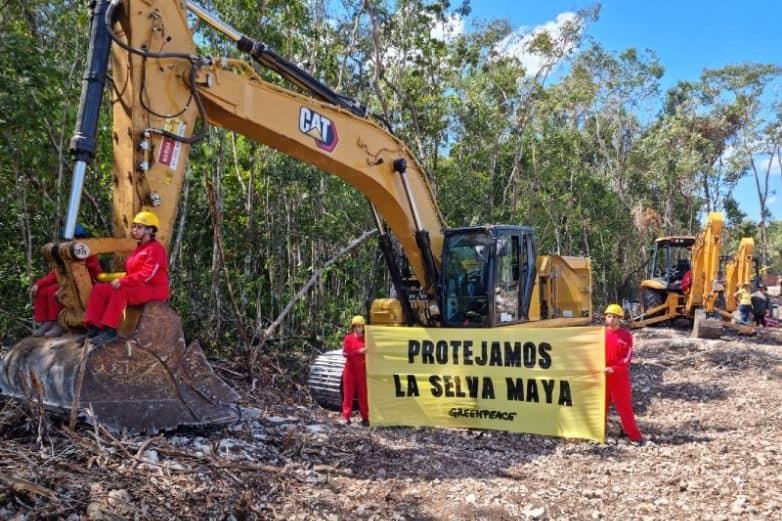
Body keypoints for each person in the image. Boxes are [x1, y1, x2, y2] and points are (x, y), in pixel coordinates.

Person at [84, 211, 169, 346]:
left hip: (153, 290)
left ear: (150, 230)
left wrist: (122, 281)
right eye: (134, 227)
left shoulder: (155, 249)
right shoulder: (139, 248)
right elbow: (132, 272)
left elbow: (148, 274)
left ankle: (110, 330)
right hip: (137, 285)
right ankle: (94, 328)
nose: (134, 230)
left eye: (139, 227)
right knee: (99, 289)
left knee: (120, 290)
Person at [29, 224, 101, 337]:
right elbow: (55, 274)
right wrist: (38, 284)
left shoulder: (87, 250)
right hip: (67, 281)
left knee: (54, 291)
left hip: (83, 284)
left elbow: (95, 271)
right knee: (42, 290)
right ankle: (47, 322)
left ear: (79, 238)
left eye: (73, 238)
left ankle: (59, 323)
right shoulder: (65, 251)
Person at [603, 303, 643, 443]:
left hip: (619, 376)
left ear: (620, 319)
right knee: (600, 406)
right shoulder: (599, 335)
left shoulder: (626, 336)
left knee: (624, 407)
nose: (612, 319)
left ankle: (634, 436)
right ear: (605, 318)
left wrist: (614, 368)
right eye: (609, 316)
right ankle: (600, 434)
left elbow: (626, 358)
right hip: (602, 376)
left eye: (615, 317)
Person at [341, 315, 369, 426]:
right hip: (349, 371)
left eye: (360, 326)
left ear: (363, 327)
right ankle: (346, 417)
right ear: (353, 327)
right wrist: (359, 351)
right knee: (348, 395)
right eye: (356, 326)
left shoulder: (367, 339)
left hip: (362, 371)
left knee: (363, 395)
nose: (358, 328)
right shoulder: (348, 338)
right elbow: (345, 353)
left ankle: (365, 418)